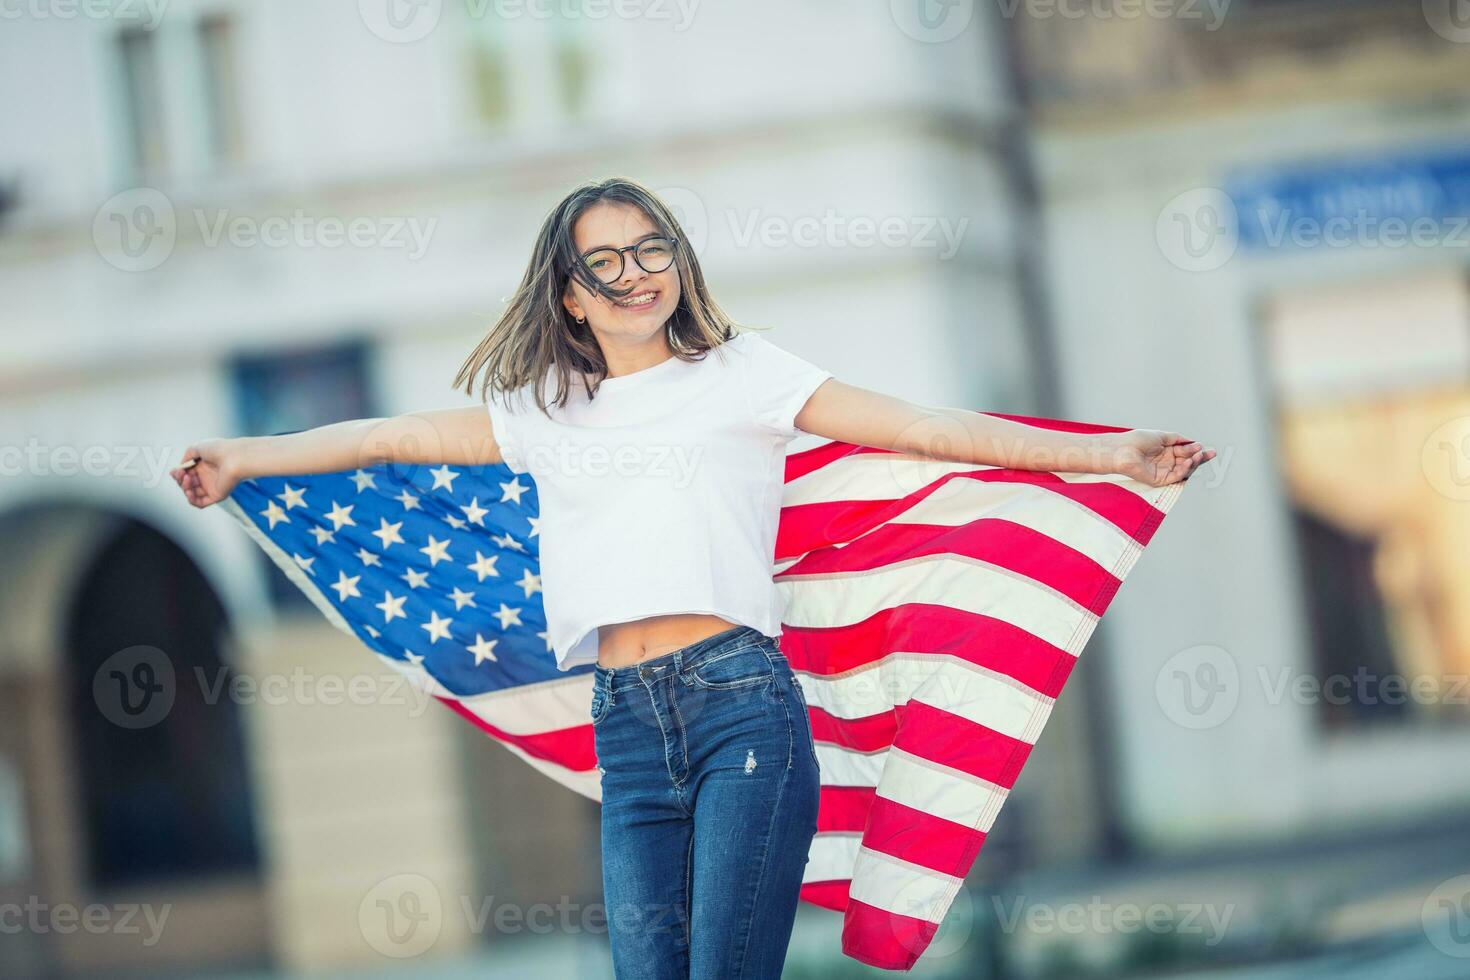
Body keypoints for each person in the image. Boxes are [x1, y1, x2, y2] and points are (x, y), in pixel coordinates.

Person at [170, 177, 1214, 978]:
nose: (634, 270)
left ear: (678, 259)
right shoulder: (540, 411)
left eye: (649, 246)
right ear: (570, 297)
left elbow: (921, 427)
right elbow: (390, 436)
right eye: (604, 260)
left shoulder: (744, 373)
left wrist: (1109, 452)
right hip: (625, 723)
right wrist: (244, 456)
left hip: (740, 708)